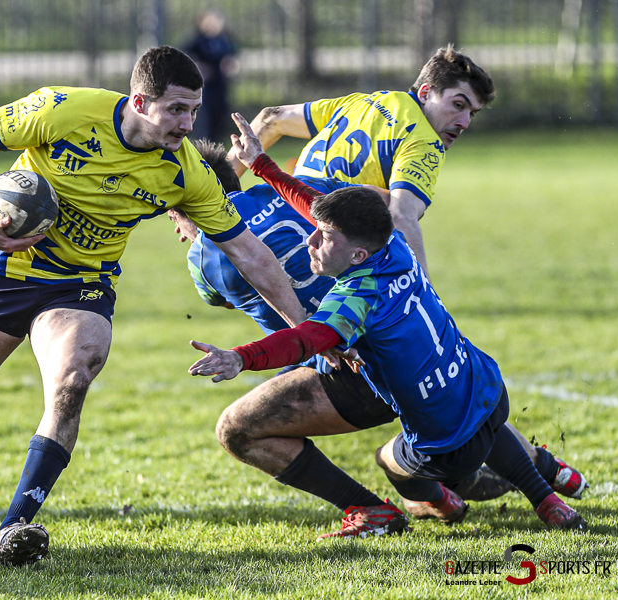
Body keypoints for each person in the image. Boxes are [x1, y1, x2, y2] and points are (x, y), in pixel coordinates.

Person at [0, 46, 309, 567]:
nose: (187, 123)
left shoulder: (184, 171)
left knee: (72, 379)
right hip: (5, 269)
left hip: (80, 285)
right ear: (140, 101)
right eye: (176, 110)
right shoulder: (65, 110)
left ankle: (15, 526)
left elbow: (251, 256)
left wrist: (309, 334)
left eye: (194, 110)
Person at [188, 122, 588, 537]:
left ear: (357, 252)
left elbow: (304, 339)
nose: (310, 242)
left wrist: (241, 356)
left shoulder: (353, 300)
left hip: (427, 434)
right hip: (485, 385)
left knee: (382, 458)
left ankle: (426, 501)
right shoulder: (395, 245)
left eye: (322, 239)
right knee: (472, 404)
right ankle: (546, 495)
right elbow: (315, 206)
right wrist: (263, 165)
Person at [229, 43, 492, 280]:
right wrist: (422, 293)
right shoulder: (423, 139)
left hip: (249, 232)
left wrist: (206, 201)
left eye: (473, 113)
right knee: (385, 207)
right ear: (425, 93)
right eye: (458, 105)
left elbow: (270, 117)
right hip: (307, 251)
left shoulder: (364, 102)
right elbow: (401, 216)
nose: (465, 122)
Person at [182, 9, 238, 143]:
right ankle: (203, 148)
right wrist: (197, 67)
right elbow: (184, 55)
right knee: (205, 120)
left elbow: (233, 55)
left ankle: (217, 149)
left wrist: (231, 64)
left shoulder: (224, 39)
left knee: (220, 119)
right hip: (204, 87)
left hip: (221, 85)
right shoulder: (198, 39)